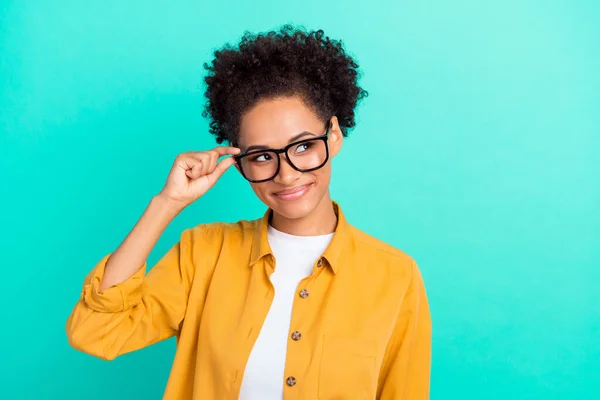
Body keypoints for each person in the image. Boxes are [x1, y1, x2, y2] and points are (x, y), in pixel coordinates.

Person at [66, 25, 432, 400]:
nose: (287, 174)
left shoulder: (396, 277)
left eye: (303, 146)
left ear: (333, 136)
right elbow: (95, 331)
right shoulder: (204, 253)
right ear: (239, 165)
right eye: (261, 156)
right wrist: (166, 204)